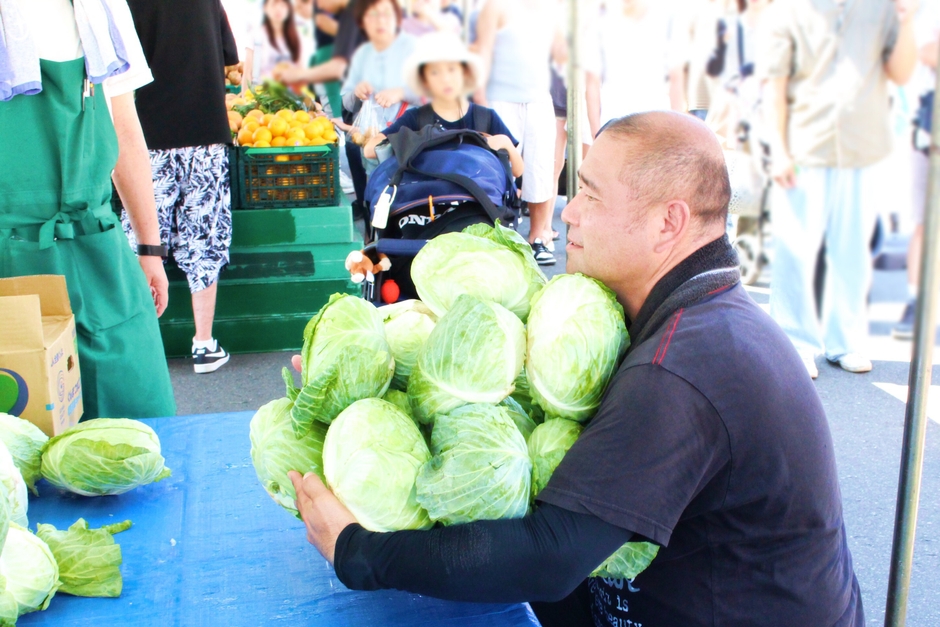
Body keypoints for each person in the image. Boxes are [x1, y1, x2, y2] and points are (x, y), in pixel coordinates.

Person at [287, 111, 865, 627]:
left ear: (669, 222)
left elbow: (550, 555)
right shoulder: (691, 317)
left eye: (590, 195)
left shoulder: (684, 366)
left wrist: (360, 552)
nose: (568, 216)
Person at [0, 0, 176, 418]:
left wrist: (150, 248)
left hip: (100, 251)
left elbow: (125, 127)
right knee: (24, 445)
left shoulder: (105, 10)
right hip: (11, 259)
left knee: (139, 428)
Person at [759, 0, 918, 378]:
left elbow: (901, 72)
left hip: (863, 147)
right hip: (805, 145)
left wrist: (907, 20)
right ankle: (794, 343)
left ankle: (844, 341)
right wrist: (778, 149)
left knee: (852, 248)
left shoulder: (880, 9)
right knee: (796, 248)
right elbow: (774, 84)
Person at [126, 0, 240, 374]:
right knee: (204, 237)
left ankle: (142, 347)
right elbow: (230, 61)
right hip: (205, 132)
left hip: (147, 137)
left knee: (143, 239)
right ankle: (203, 344)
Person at [474, 0, 567, 266]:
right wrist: (483, 114)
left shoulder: (553, 9)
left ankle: (539, 237)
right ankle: (498, 236)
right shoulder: (495, 7)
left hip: (538, 100)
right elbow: (481, 59)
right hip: (500, 100)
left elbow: (561, 54)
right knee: (497, 168)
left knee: (540, 169)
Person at [362, 31, 522, 180]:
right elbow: (370, 150)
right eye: (435, 72)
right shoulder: (415, 119)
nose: (445, 79)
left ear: (464, 73)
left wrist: (504, 142)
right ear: (424, 80)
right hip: (428, 206)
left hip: (480, 207)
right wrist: (412, 141)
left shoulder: (485, 118)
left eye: (451, 69)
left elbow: (518, 170)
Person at [895, 0, 938, 339]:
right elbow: (927, 53)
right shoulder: (922, 11)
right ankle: (916, 303)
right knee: (925, 222)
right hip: (928, 126)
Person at [249, 0, 302, 80]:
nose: (278, 9)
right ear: (265, 8)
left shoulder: (296, 37)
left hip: (290, 91)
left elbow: (301, 71)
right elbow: (248, 72)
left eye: (282, 5)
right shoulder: (256, 35)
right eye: (274, 4)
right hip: (262, 90)